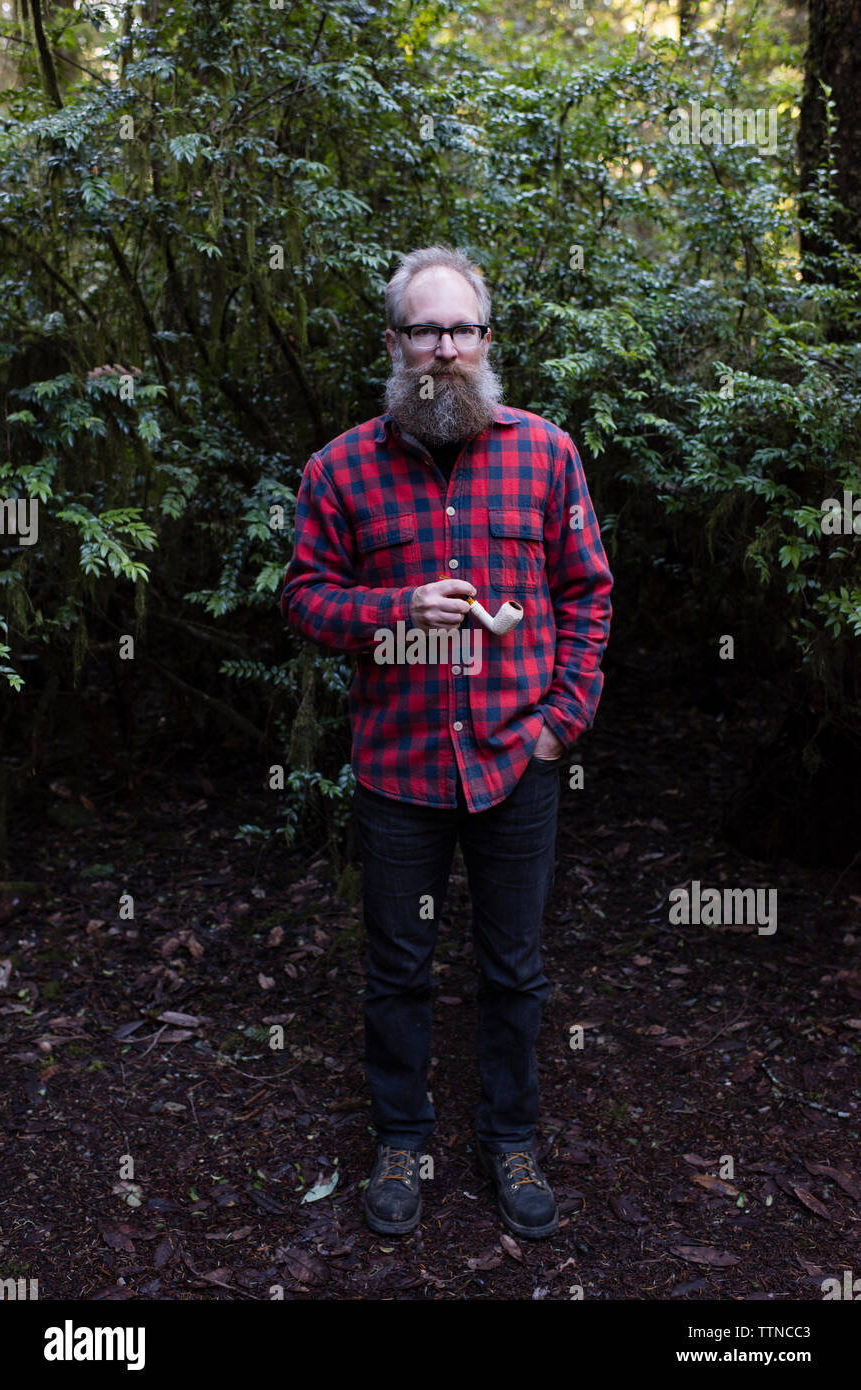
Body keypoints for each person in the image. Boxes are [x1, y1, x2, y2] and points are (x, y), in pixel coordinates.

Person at [280, 245, 613, 1240]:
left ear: (486, 340)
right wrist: (397, 608)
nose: (445, 350)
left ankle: (511, 1139)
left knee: (514, 969)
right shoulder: (339, 469)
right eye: (424, 330)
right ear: (394, 343)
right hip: (401, 768)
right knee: (397, 968)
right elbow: (304, 598)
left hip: (519, 762)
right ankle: (400, 1137)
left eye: (462, 329)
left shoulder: (546, 453)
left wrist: (561, 724)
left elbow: (589, 595)